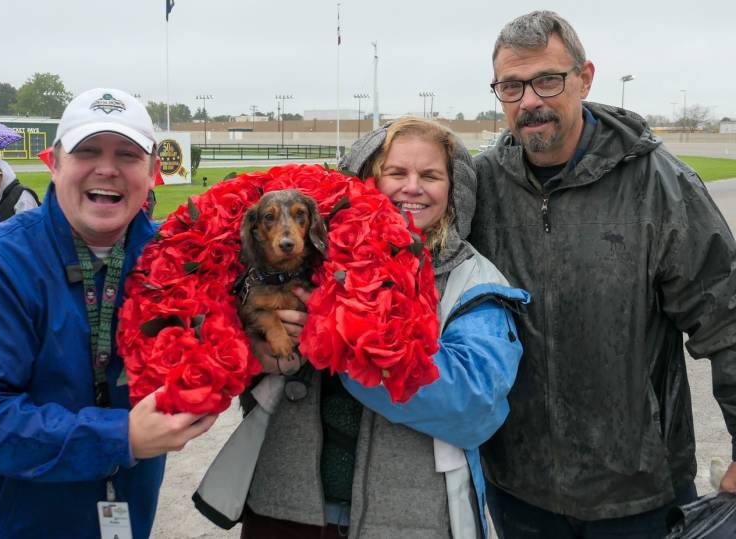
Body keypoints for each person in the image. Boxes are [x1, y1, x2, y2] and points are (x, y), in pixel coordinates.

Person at [469, 11, 736, 538]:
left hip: (638, 495)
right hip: (518, 490)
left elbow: (726, 320)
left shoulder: (661, 185)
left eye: (547, 80)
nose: (530, 102)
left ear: (585, 78)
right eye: (512, 87)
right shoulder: (481, 185)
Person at [0, 88, 218, 539]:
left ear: (152, 173)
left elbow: (211, 353)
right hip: (5, 524)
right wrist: (119, 436)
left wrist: (259, 351)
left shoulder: (175, 262)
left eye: (127, 154)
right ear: (54, 162)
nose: (107, 167)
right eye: (87, 150)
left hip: (124, 510)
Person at [233, 117, 529, 539]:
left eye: (430, 175)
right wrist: (256, 354)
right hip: (284, 511)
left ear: (454, 188)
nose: (413, 187)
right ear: (366, 180)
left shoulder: (474, 279)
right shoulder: (309, 258)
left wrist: (342, 341)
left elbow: (473, 405)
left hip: (408, 521)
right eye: (396, 173)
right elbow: (233, 357)